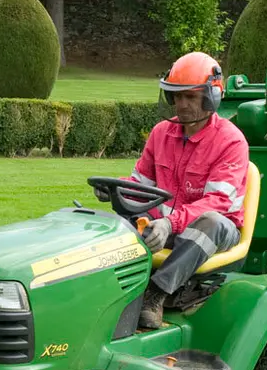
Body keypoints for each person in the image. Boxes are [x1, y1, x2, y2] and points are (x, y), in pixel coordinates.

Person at [96, 51, 249, 329]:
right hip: (167, 225)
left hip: (215, 230)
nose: (181, 104)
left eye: (190, 97)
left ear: (211, 97)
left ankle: (155, 296)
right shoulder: (160, 133)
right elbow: (141, 186)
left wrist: (170, 223)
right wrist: (115, 190)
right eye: (176, 96)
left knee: (211, 222)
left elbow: (216, 203)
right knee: (112, 222)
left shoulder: (230, 142)